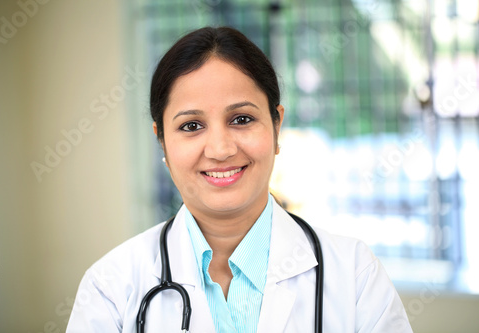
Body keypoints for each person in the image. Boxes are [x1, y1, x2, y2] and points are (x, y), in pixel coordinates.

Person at [67, 26, 412, 333]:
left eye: (242, 119)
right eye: (191, 126)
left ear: (277, 126)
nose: (219, 149)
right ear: (162, 142)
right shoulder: (111, 285)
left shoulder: (355, 275)